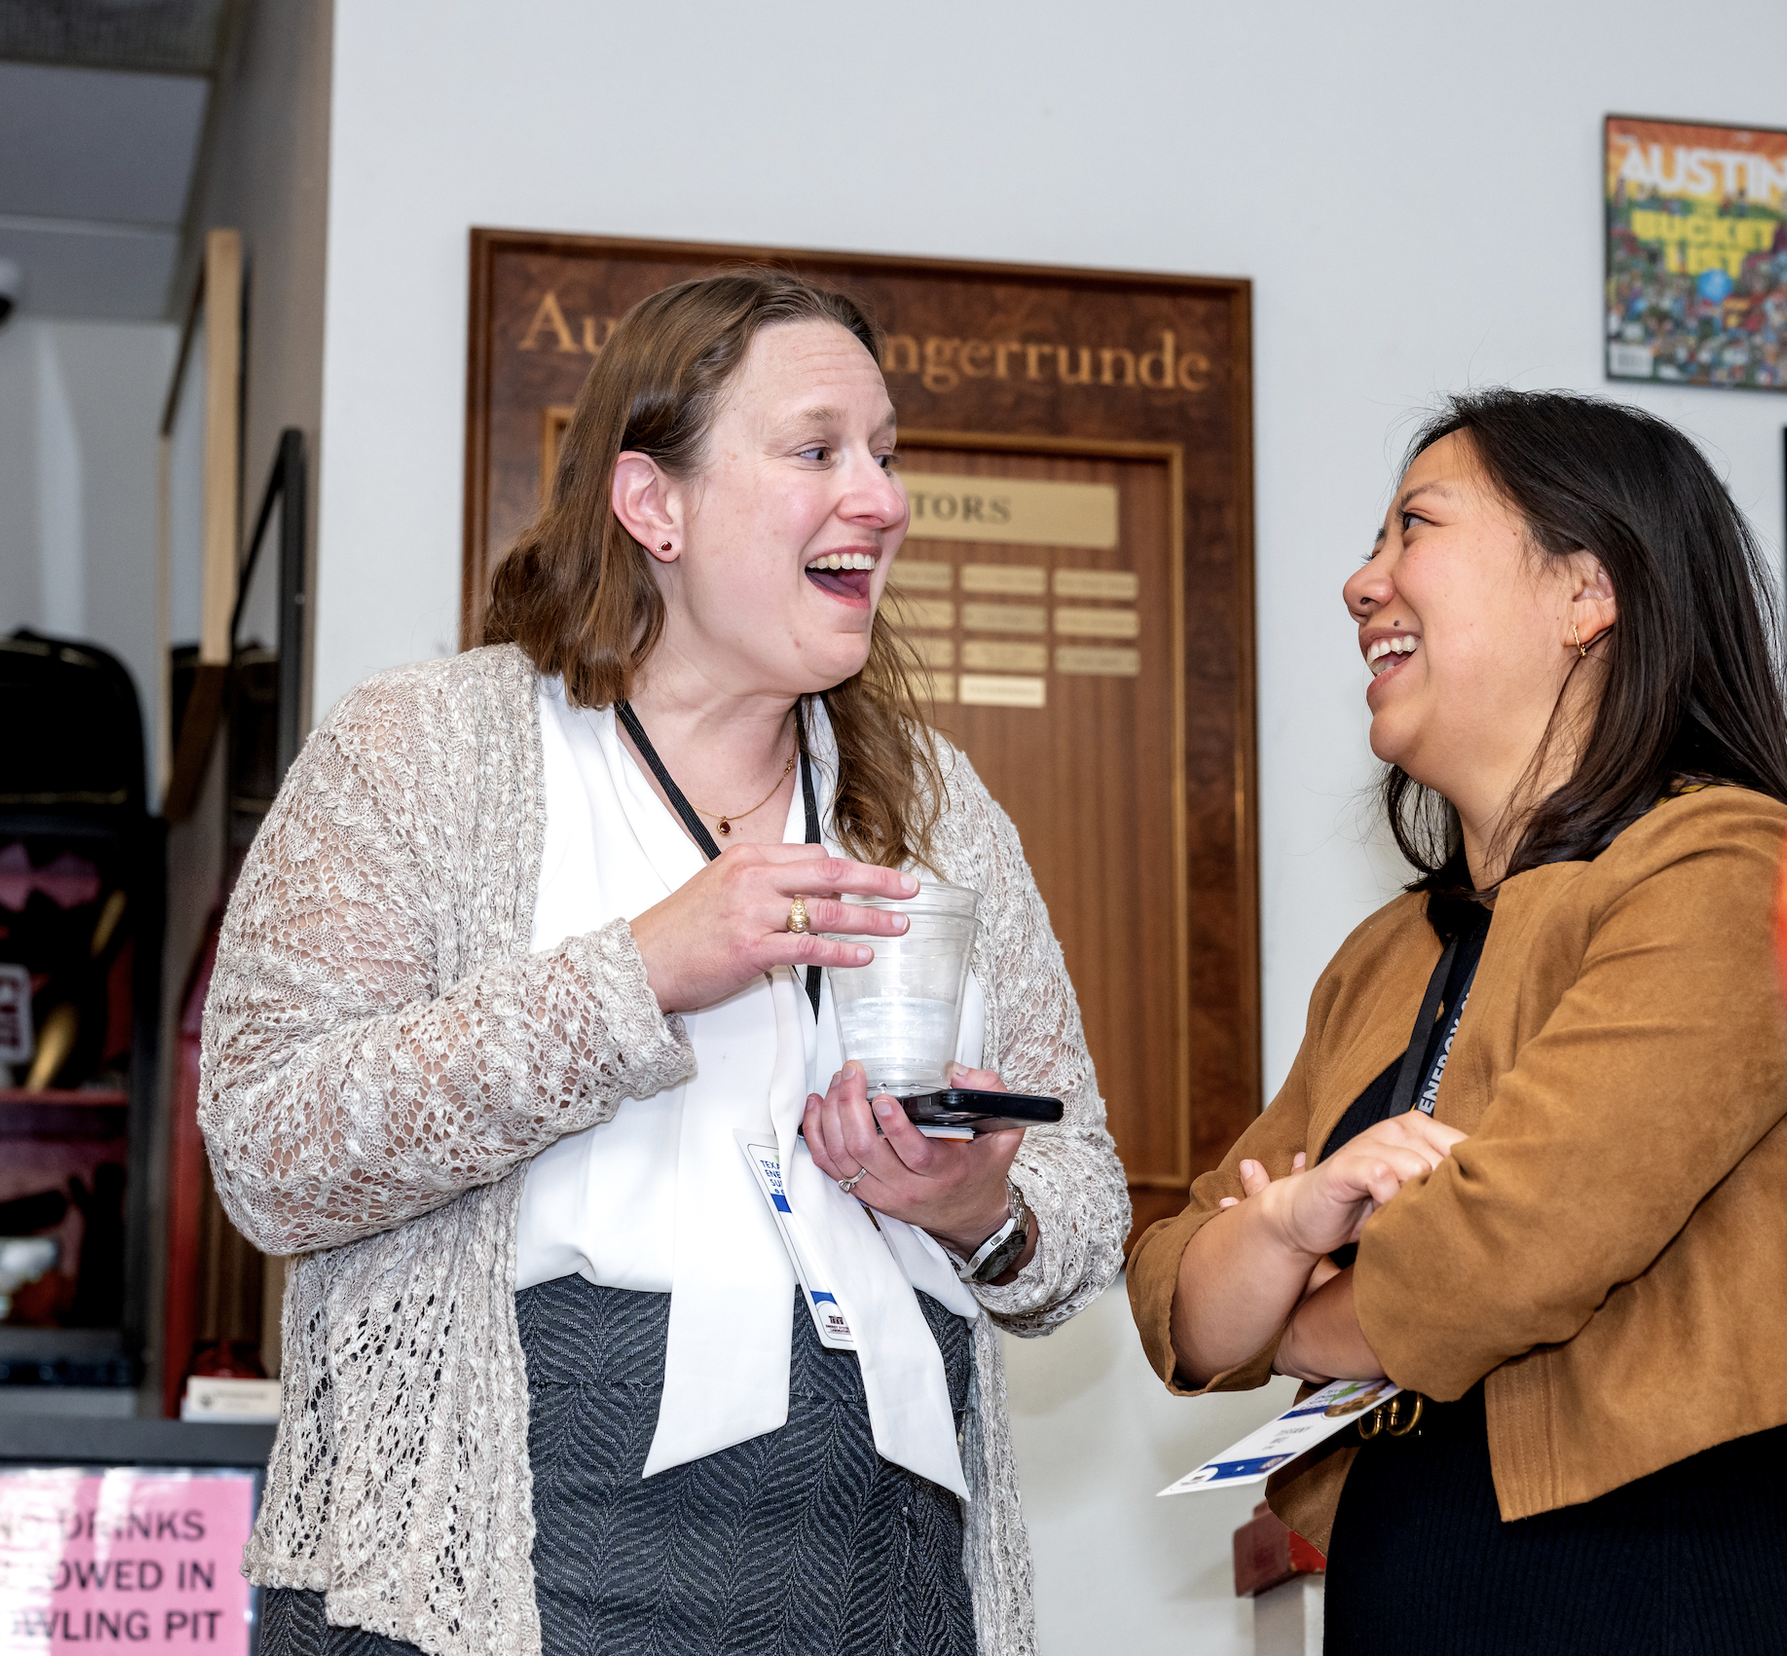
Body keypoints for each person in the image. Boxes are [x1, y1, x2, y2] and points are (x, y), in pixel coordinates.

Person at [201, 271, 1128, 1656]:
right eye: (818, 450)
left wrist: (973, 1207)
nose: (879, 498)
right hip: (511, 1547)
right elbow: (272, 1147)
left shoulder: (936, 807)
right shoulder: (426, 751)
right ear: (654, 506)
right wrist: (637, 975)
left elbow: (1084, 1200)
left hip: (882, 1563)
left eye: (886, 453)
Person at [1128, 390, 1787, 1654]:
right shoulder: (1385, 951)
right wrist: (1283, 1229)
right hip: (1401, 1588)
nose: (1361, 583)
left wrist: (1292, 1298)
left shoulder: (1740, 871)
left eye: (1412, 528)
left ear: (1586, 592)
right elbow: (1173, 1302)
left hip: (1663, 1596)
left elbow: (1508, 1248)